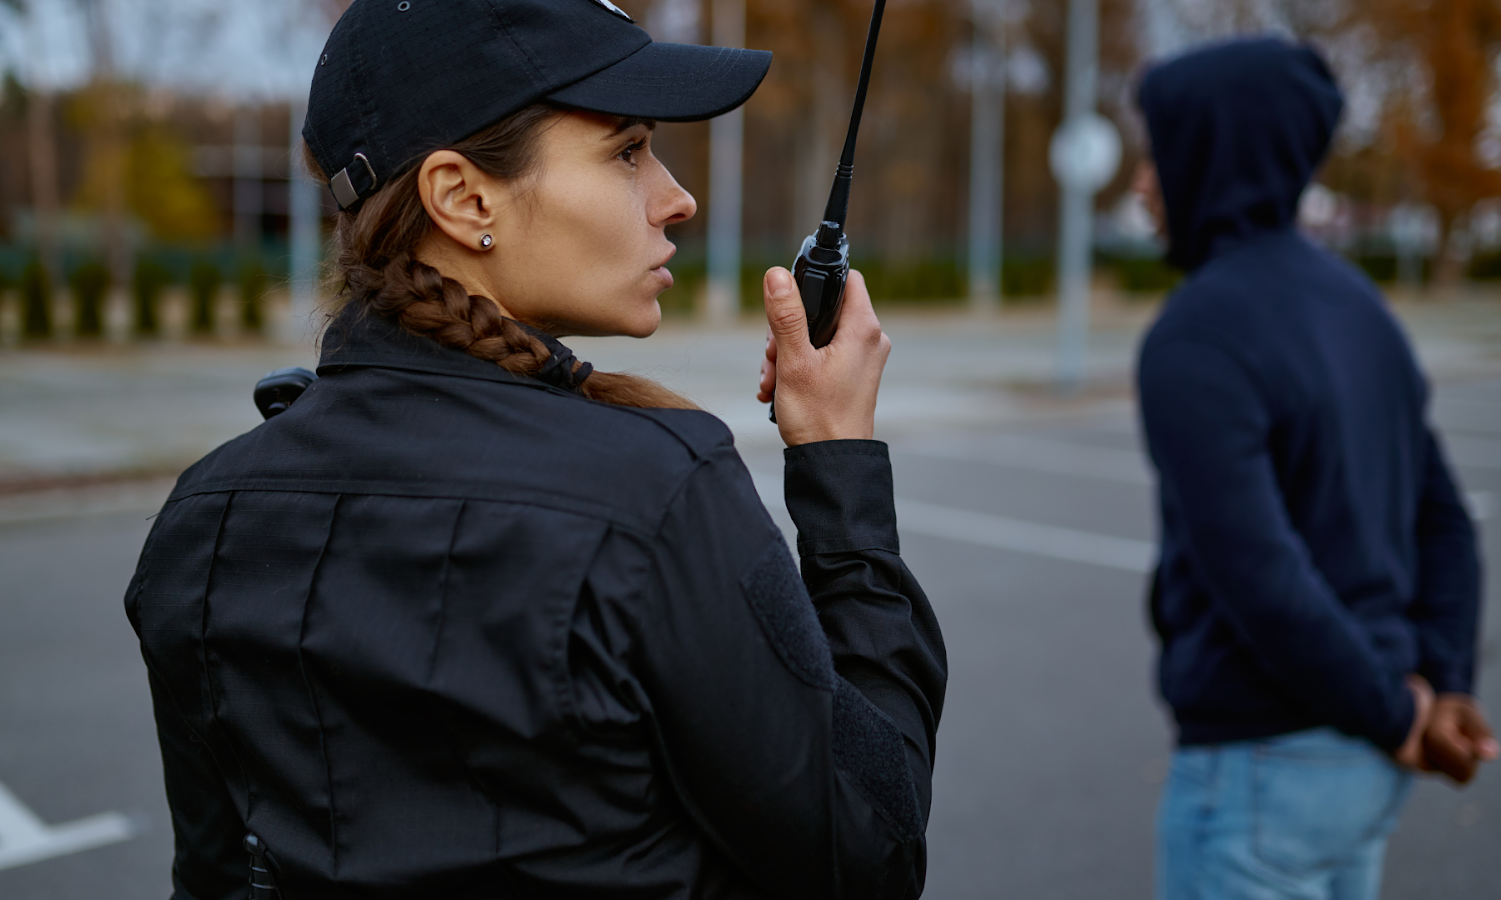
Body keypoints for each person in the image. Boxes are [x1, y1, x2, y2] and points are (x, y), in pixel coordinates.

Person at [122, 1, 947, 897]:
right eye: (626, 151)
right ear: (463, 196)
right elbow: (871, 851)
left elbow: (214, 878)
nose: (678, 198)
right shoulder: (655, 496)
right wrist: (839, 460)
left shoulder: (202, 522)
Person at [1132, 37, 1500, 899]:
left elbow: (1260, 577)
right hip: (1362, 768)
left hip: (1261, 774)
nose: (1142, 182)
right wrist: (1443, 684)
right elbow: (1445, 520)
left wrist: (1402, 710)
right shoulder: (1358, 305)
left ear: (1213, 153)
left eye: (1159, 150)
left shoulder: (1196, 336)